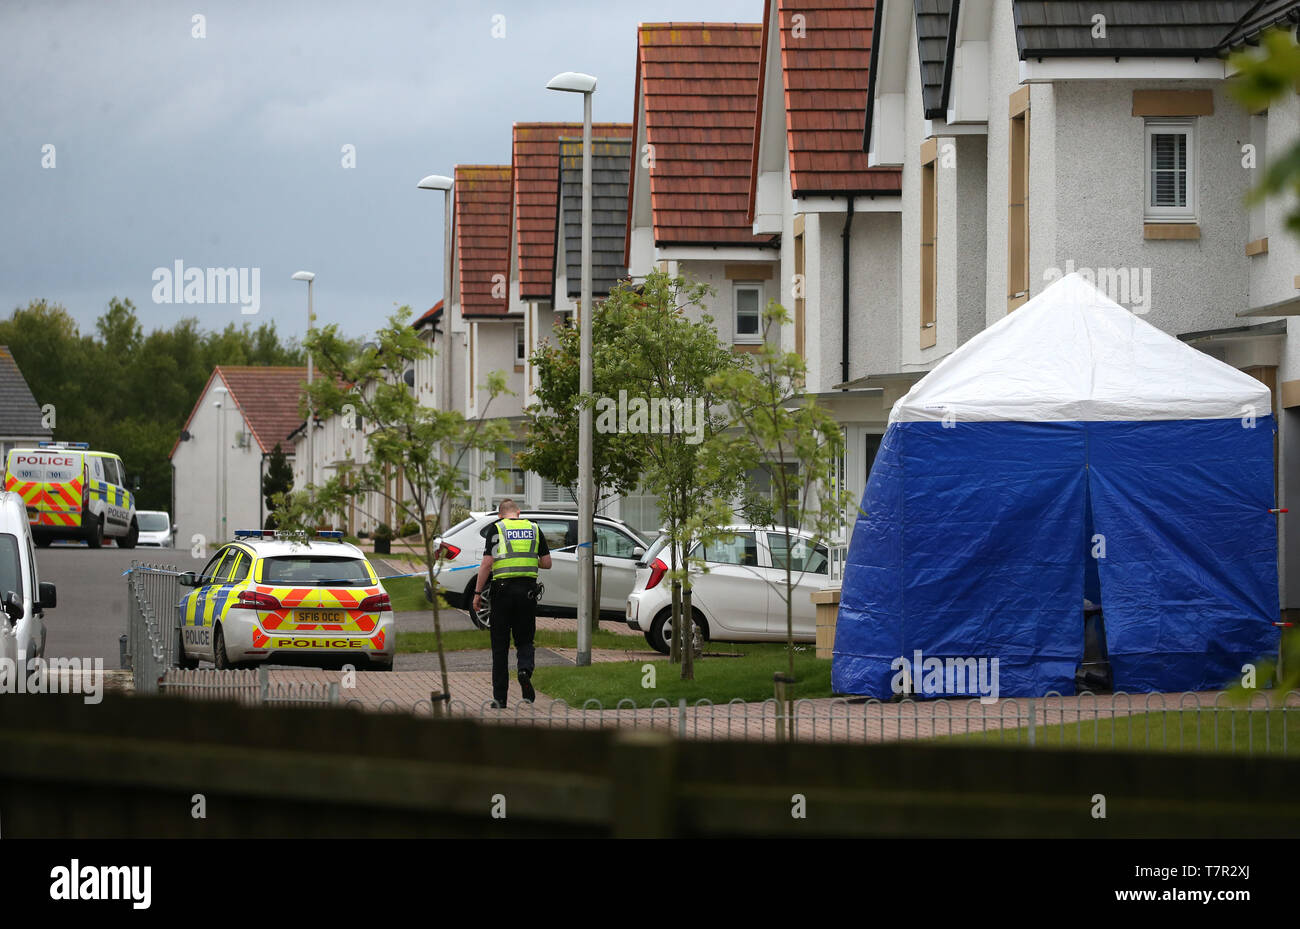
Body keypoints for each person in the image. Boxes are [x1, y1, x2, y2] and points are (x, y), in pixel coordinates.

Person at [473, 499, 551, 707]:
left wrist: (477, 592)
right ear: (518, 512)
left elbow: (487, 564)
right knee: (525, 639)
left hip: (502, 592)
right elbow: (547, 563)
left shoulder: (497, 528)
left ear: (500, 515)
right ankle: (524, 670)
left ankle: (500, 698)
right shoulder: (534, 528)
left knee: (500, 646)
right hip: (527, 592)